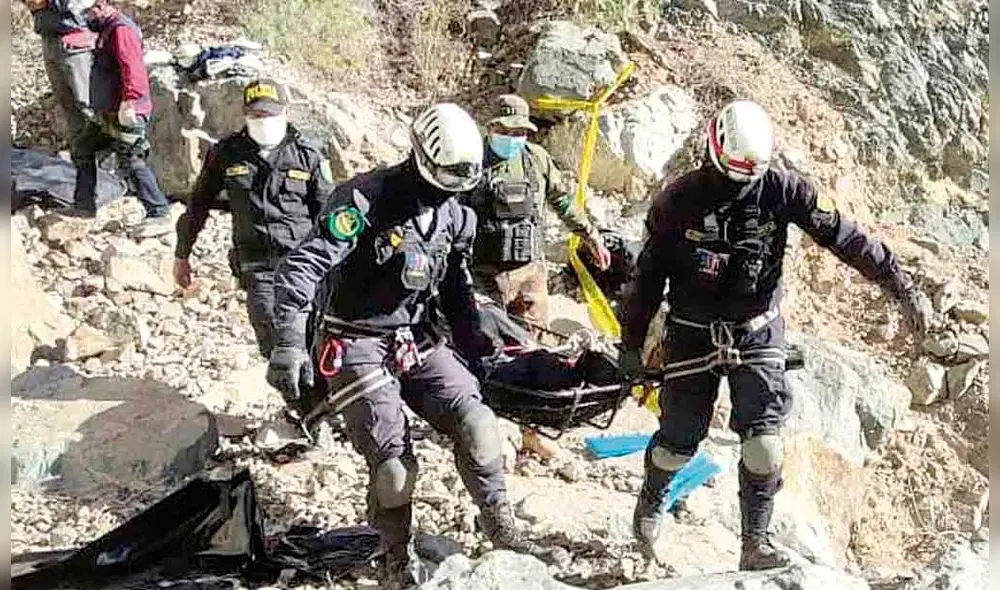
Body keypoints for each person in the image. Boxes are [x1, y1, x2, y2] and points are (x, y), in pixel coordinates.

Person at [617, 100, 932, 571]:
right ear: (716, 148)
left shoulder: (784, 189)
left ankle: (755, 544)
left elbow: (845, 237)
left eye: (752, 171)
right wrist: (630, 343)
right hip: (691, 333)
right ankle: (650, 501)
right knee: (677, 444)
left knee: (764, 445)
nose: (743, 180)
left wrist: (899, 284)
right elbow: (646, 279)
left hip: (757, 330)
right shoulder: (677, 201)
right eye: (736, 171)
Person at [264, 103, 534, 588]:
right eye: (446, 181)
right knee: (394, 469)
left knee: (479, 425)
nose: (450, 192)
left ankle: (500, 524)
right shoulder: (364, 200)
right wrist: (288, 341)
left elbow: (454, 288)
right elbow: (303, 266)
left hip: (416, 336)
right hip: (354, 338)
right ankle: (393, 559)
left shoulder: (455, 215)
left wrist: (478, 350)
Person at [173, 79, 336, 359]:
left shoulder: (307, 154)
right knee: (278, 347)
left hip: (304, 264)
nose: (263, 121)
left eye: (269, 114)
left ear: (284, 112)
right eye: (256, 115)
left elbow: (329, 215)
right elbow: (198, 206)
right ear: (245, 116)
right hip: (258, 267)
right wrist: (182, 254)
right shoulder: (227, 154)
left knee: (315, 341)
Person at [465, 94, 611, 329]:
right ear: (490, 127)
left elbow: (562, 201)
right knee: (485, 339)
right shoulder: (470, 161)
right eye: (505, 131)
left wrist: (590, 236)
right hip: (482, 275)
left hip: (529, 274)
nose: (512, 138)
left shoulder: (536, 159)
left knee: (535, 340)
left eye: (519, 132)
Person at [66, 0, 171, 236]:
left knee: (131, 158)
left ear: (101, 5)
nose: (84, 18)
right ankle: (84, 206)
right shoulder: (105, 30)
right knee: (82, 147)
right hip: (107, 113)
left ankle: (159, 213)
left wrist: (130, 101)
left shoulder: (121, 30)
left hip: (127, 110)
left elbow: (133, 68)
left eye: (87, 13)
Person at [23, 0, 95, 147]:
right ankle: (81, 154)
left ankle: (103, 154)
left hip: (74, 40)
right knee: (66, 103)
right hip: (48, 36)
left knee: (86, 103)